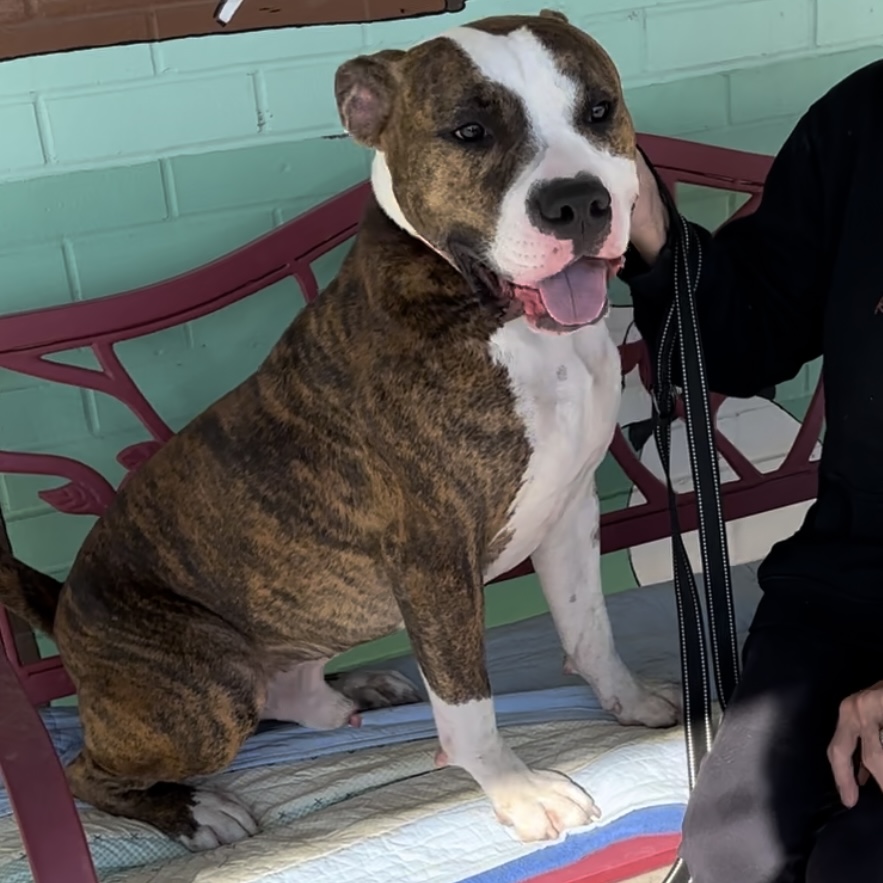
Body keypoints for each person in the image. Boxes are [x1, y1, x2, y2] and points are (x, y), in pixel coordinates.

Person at [622, 59, 883, 883]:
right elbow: (753, 332)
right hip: (850, 571)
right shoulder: (863, 118)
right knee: (734, 846)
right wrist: (650, 228)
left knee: (858, 857)